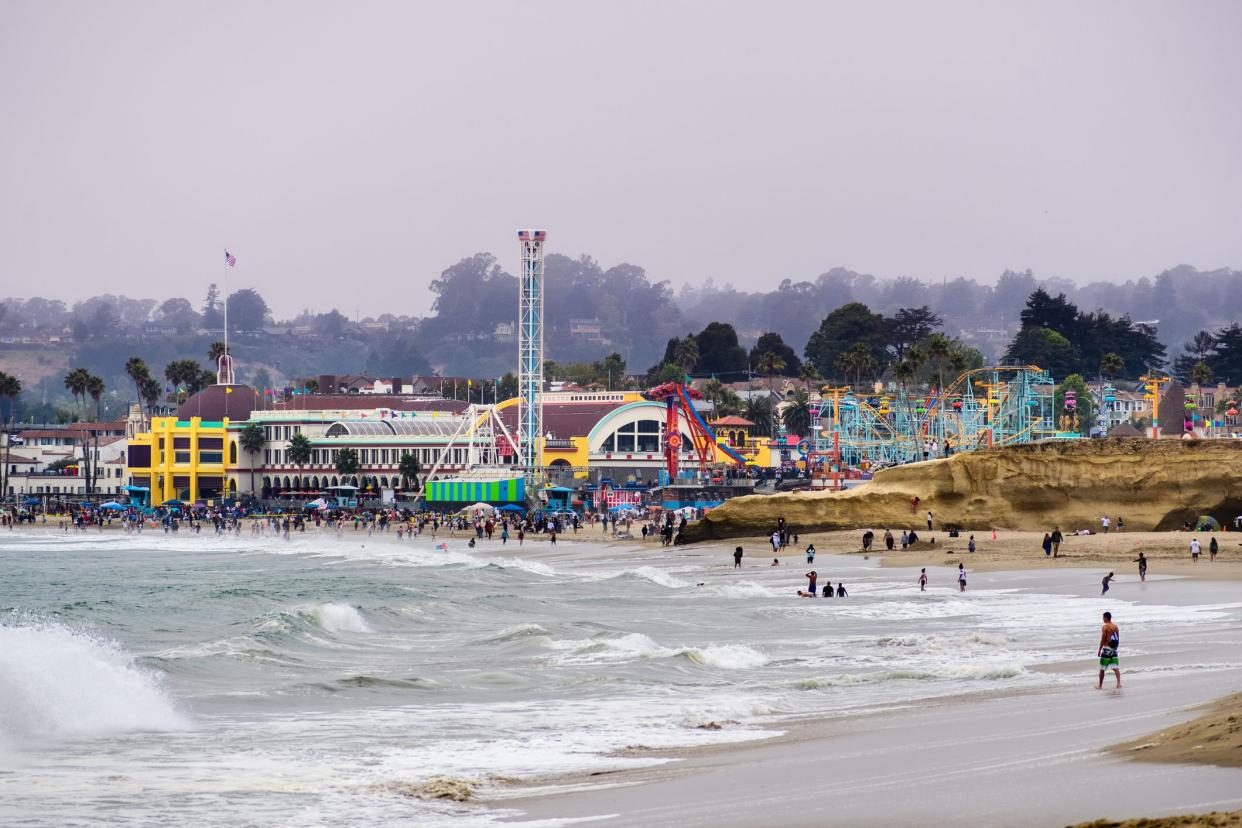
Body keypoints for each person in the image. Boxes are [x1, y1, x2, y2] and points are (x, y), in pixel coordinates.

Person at [1097, 611, 1122, 689]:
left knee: (1102, 669)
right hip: (1114, 649)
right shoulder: (1115, 626)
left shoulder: (1105, 627)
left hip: (1106, 649)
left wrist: (1099, 649)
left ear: (1106, 618)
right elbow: (1118, 638)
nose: (1102, 619)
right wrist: (1115, 648)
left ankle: (1100, 685)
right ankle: (1118, 684)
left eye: (1103, 617)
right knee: (1115, 667)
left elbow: (1103, 639)